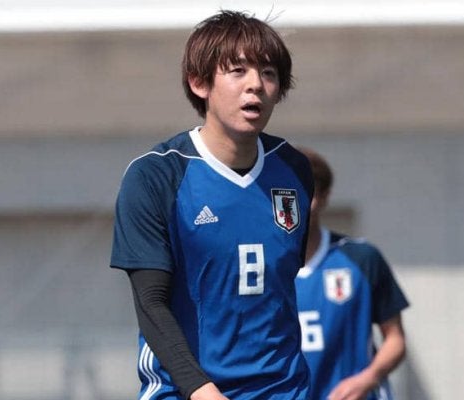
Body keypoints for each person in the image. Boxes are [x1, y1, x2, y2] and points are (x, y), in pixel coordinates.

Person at [110, 10, 313, 400]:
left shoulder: (293, 169)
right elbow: (151, 304)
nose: (256, 85)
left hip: (284, 391)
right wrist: (201, 390)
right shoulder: (155, 176)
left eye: (268, 73)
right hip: (187, 392)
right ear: (199, 82)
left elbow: (280, 286)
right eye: (238, 71)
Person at [295, 147, 410, 400]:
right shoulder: (256, 267)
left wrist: (368, 378)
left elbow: (395, 339)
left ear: (324, 196)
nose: (298, 204)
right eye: (289, 194)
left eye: (307, 192)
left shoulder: (361, 258)